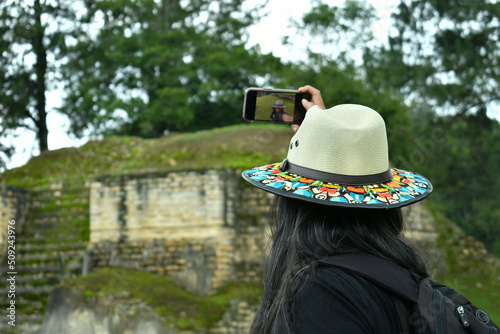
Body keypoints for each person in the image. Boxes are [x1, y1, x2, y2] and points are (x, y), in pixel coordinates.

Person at [242, 85, 433, 333]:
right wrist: (324, 133)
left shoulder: (322, 294)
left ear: (293, 203)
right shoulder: (407, 280)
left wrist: (317, 143)